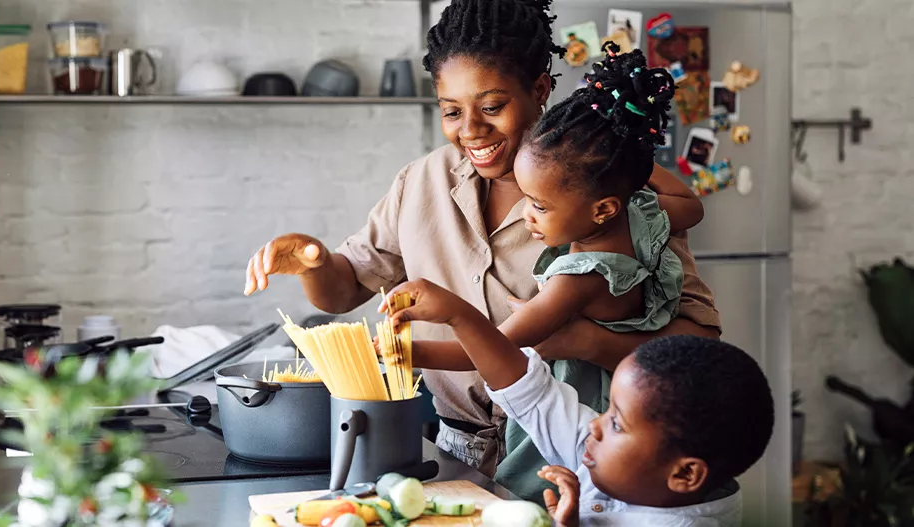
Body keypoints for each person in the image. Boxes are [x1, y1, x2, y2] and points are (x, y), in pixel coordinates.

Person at [242, 0, 721, 497]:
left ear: (540, 89)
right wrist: (314, 262)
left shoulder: (605, 188)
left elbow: (699, 347)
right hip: (454, 452)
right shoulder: (421, 182)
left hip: (577, 453)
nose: (470, 129)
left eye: (492, 107)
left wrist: (586, 343)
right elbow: (343, 290)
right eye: (452, 111)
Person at [405, 42, 703, 383]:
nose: (526, 214)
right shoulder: (640, 217)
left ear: (603, 209)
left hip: (587, 406)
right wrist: (623, 154)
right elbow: (691, 205)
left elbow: (493, 347)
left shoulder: (575, 282)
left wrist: (410, 352)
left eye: (539, 205)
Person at [380, 279, 774, 526]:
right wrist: (458, 316)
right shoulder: (610, 459)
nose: (596, 424)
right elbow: (529, 391)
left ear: (685, 474)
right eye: (609, 410)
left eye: (617, 423)